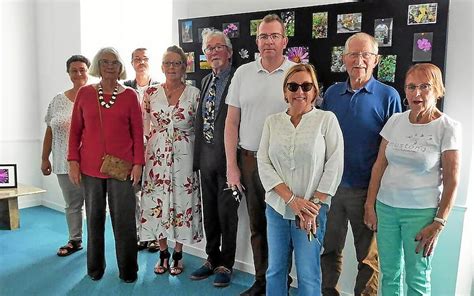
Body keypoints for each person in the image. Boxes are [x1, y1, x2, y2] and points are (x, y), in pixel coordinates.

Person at [365, 63, 461, 295]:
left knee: (418, 278)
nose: (416, 93)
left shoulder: (448, 128)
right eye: (411, 87)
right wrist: (370, 204)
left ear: (437, 89)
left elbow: (452, 180)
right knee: (389, 273)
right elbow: (379, 166)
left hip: (421, 214)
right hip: (386, 209)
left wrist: (439, 222)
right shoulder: (396, 121)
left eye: (424, 86)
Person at [321, 32, 402, 296]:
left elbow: (393, 151)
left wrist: (374, 198)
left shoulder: (389, 97)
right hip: (330, 190)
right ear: (344, 59)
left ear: (376, 59)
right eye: (353, 54)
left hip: (367, 192)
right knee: (329, 250)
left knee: (368, 259)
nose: (359, 60)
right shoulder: (332, 94)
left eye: (365, 54)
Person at [258, 63, 344, 296]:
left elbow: (334, 165)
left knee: (308, 273)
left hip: (312, 212)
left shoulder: (326, 120)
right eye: (293, 86)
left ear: (315, 91)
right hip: (277, 208)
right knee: (275, 270)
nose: (300, 92)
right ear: (285, 91)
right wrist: (291, 200)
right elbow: (263, 163)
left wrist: (311, 207)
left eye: (306, 86)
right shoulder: (272, 122)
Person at [225, 14, 295, 296]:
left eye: (274, 36)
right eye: (264, 36)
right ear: (257, 41)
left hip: (284, 164)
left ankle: (282, 283)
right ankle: (262, 281)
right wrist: (232, 165)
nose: (269, 41)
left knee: (284, 226)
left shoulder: (297, 73)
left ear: (284, 41)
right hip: (250, 161)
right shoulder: (243, 73)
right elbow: (231, 122)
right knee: (258, 226)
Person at [68, 47, 144, 283]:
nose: (110, 66)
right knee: (94, 218)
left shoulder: (130, 95)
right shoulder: (85, 94)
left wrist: (138, 164)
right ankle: (95, 268)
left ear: (120, 67)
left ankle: (129, 271)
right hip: (90, 168)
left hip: (122, 168)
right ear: (98, 66)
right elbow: (75, 131)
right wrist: (72, 160)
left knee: (124, 221)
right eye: (104, 62)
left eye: (114, 62)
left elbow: (137, 132)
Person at [139, 45, 202, 276]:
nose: (172, 67)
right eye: (168, 63)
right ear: (162, 66)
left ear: (185, 67)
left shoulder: (194, 94)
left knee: (182, 202)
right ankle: (163, 252)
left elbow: (200, 127)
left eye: (177, 63)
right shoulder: (150, 93)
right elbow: (143, 126)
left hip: (185, 155)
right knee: (159, 203)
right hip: (156, 157)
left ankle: (178, 252)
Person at [190, 29, 237, 287]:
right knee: (210, 212)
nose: (214, 52)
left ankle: (226, 265)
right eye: (209, 48)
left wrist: (234, 164)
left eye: (219, 47)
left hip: (229, 161)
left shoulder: (238, 79)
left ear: (229, 52)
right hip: (206, 159)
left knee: (227, 213)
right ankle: (211, 258)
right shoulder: (206, 81)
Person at [41, 55, 90, 257]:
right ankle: (75, 240)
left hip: (92, 163)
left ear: (88, 71)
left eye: (82, 69)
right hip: (63, 162)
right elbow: (50, 130)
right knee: (72, 204)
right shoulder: (57, 100)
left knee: (96, 206)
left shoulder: (95, 96)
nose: (78, 73)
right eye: (73, 70)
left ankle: (97, 243)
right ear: (68, 73)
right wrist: (45, 158)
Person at [123, 47, 159, 252]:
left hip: (155, 148)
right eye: (137, 59)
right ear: (132, 63)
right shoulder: (125, 88)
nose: (141, 62)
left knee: (153, 191)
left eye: (144, 58)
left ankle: (154, 235)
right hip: (131, 148)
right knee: (135, 192)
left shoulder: (160, 87)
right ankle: (140, 234)